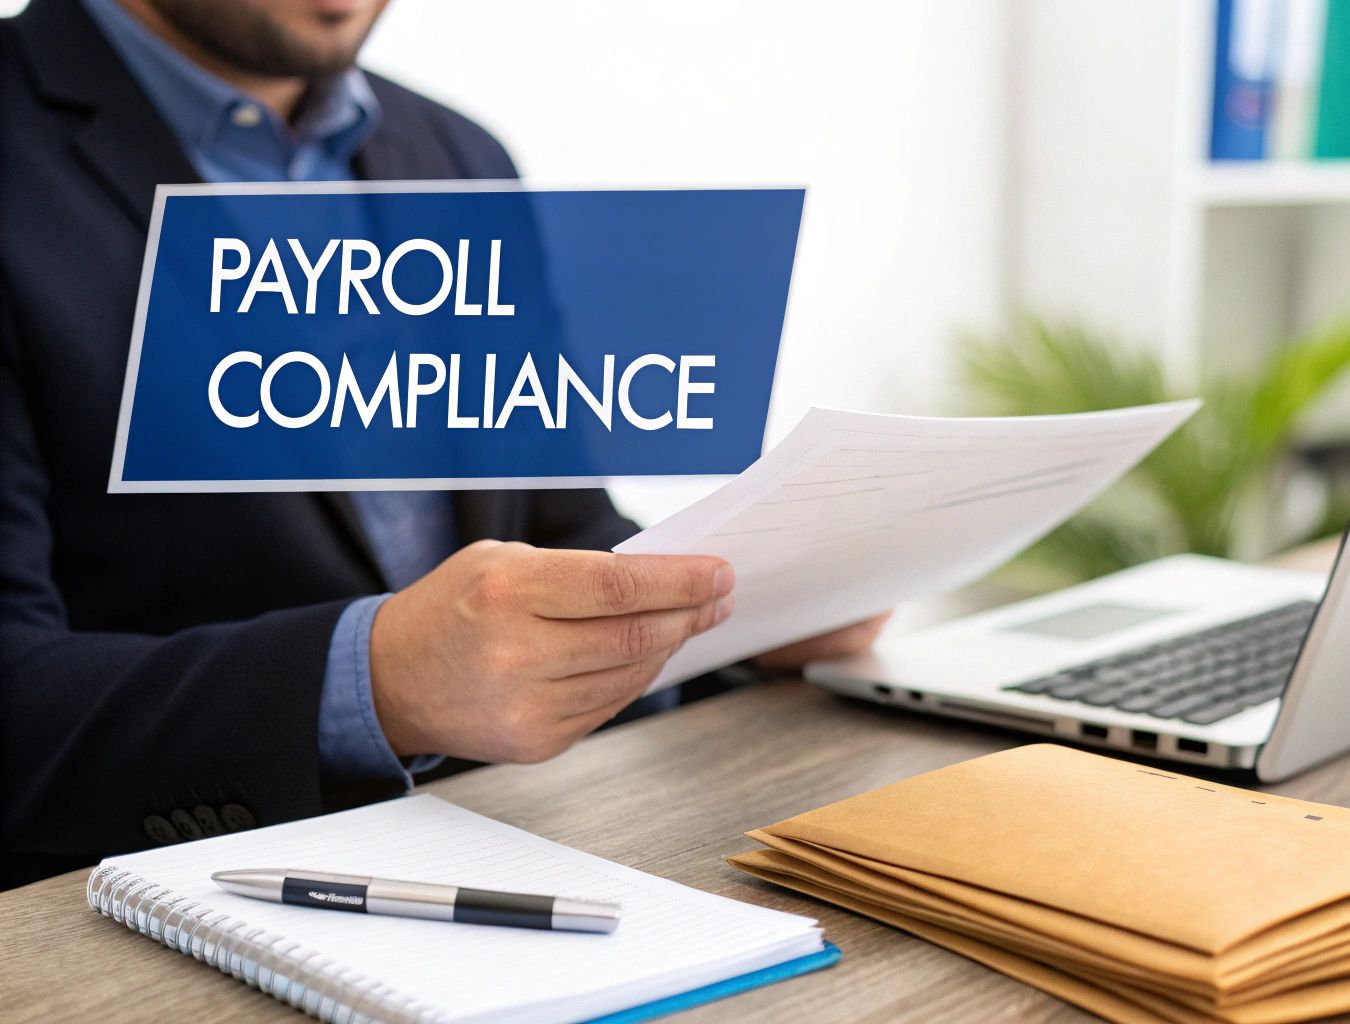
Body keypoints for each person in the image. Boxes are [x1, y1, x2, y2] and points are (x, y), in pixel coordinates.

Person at [0, 0, 886, 889]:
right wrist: (377, 681)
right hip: (137, 909)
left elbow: (561, 520)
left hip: (505, 845)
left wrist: (744, 611)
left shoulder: (456, 154)